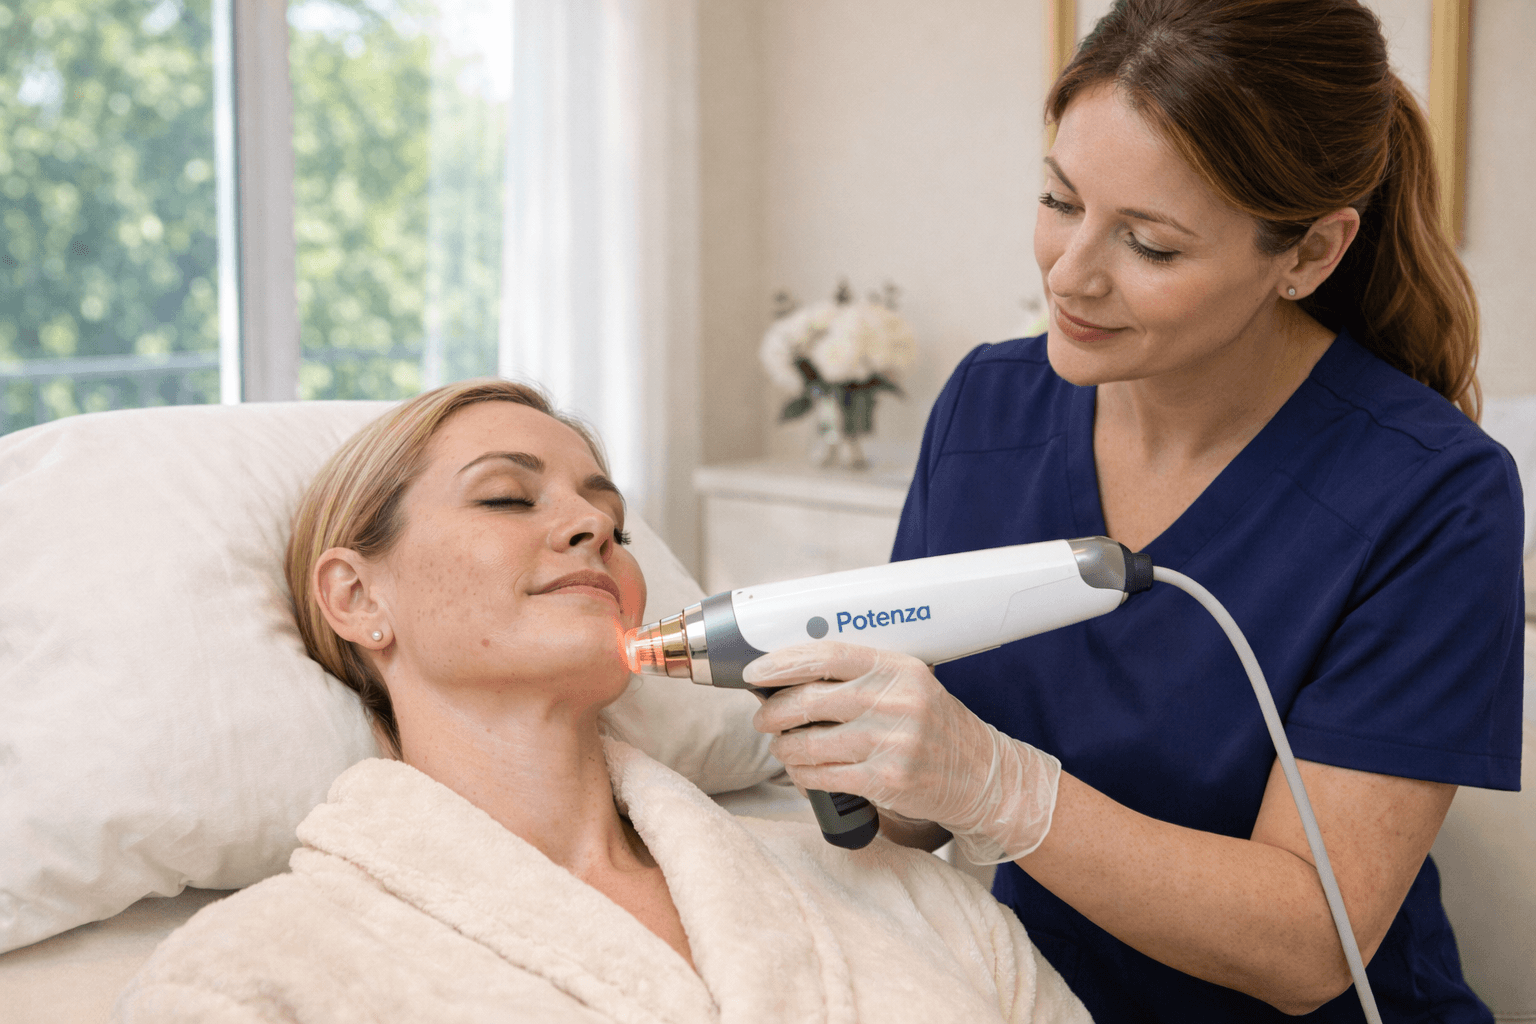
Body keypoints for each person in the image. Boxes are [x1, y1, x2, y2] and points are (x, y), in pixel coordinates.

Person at [748, 2, 1523, 1022]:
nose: (1069, 275)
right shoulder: (989, 408)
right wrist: (854, 749)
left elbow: (1310, 946)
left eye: (1150, 246)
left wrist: (1002, 788)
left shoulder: (1434, 494)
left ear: (1308, 254)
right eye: (1058, 200)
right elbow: (914, 819)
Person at [111, 379, 1090, 1024]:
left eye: (613, 522)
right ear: (357, 597)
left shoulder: (912, 898)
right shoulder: (252, 975)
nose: (588, 525)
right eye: (507, 497)